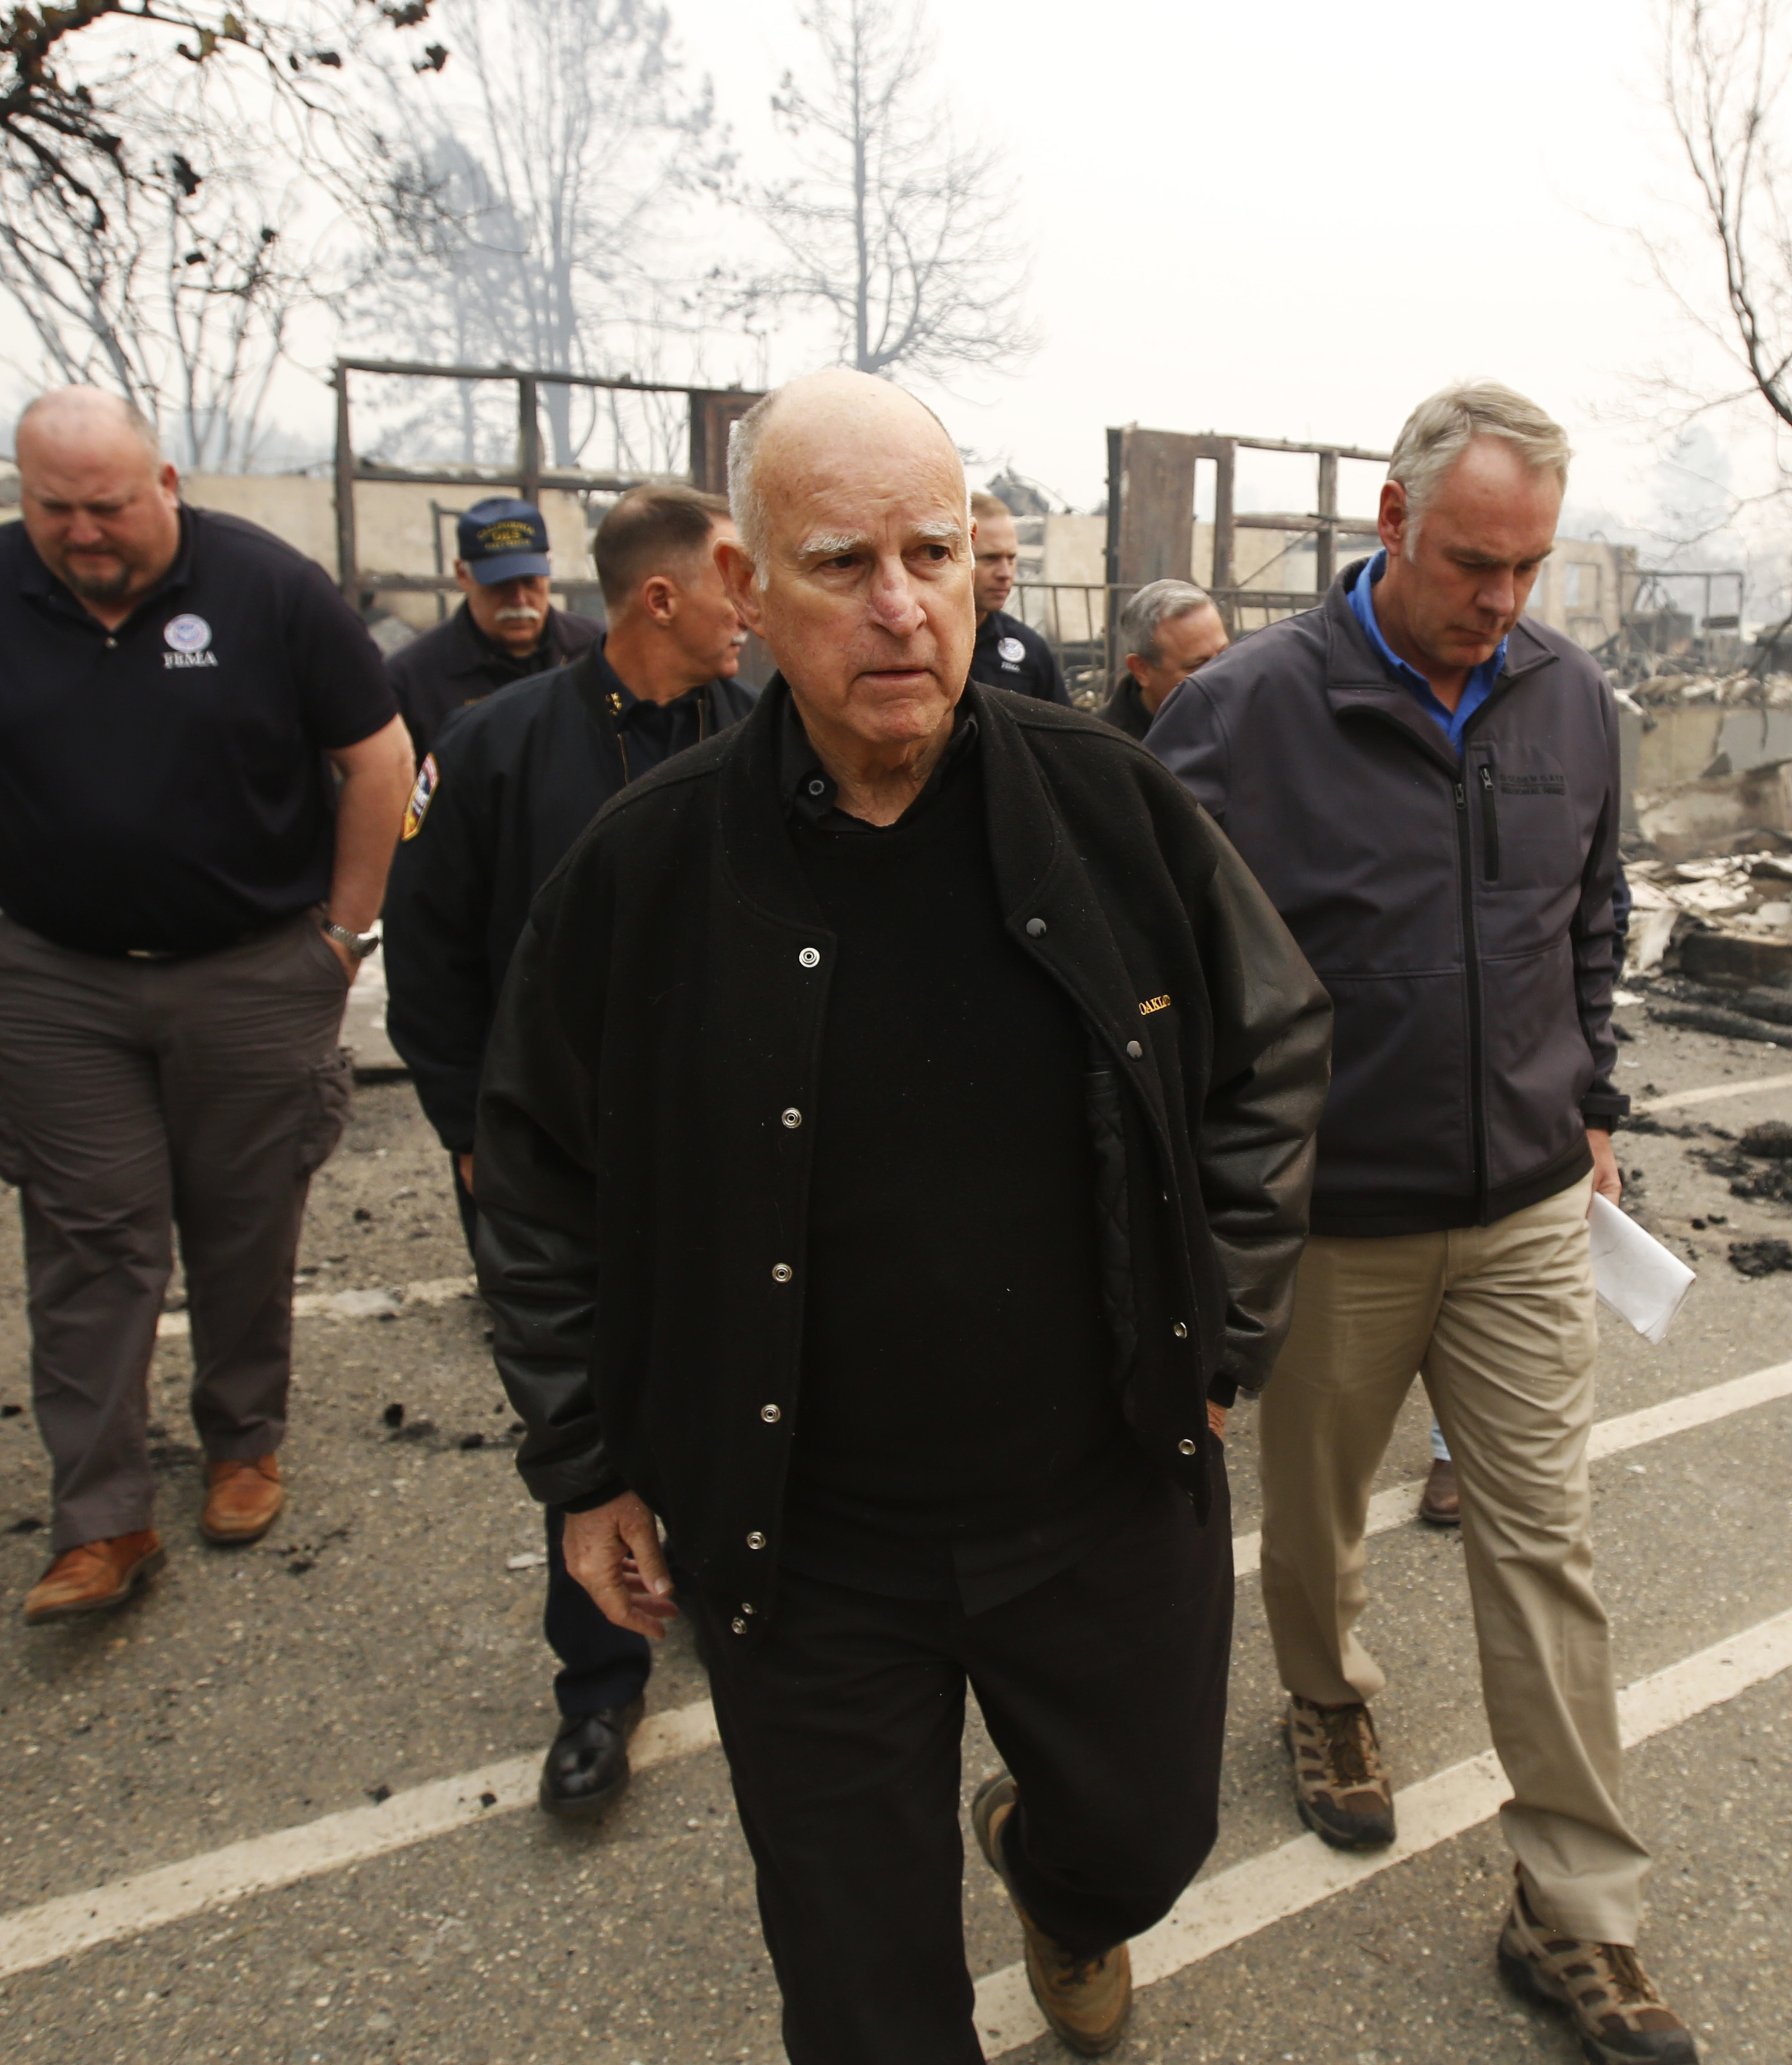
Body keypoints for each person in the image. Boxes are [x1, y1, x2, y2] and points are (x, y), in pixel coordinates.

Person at [471, 369, 1329, 2064]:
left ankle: (1041, 1860)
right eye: (840, 560)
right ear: (742, 584)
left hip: (1092, 1486)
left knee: (1143, 1844)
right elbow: (535, 1166)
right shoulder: (647, 866)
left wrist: (1219, 1329)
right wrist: (587, 1456)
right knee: (864, 1999)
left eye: (932, 553)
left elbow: (1275, 1046)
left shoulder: (1108, 807)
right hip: (806, 1534)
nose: (897, 604)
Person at [1152, 380, 1695, 2065]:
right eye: (1472, 560)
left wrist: (1589, 1096)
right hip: (1335, 1221)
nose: (1499, 600)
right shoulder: (1240, 718)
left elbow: (1591, 912)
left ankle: (1573, 1910)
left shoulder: (1570, 707)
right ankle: (1324, 1695)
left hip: (1527, 1210)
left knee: (1546, 1550)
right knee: (1311, 1518)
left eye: (1528, 566)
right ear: (1389, 526)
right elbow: (1150, 974)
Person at [0, 386, 412, 1626]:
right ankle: (99, 1517)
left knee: (243, 1218)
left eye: (107, 504)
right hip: (56, 975)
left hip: (251, 966)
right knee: (88, 1238)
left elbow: (376, 753)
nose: (83, 532)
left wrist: (341, 932)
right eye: (53, 508)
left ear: (163, 483)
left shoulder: (269, 589)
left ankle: (243, 1439)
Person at [384, 483, 753, 1819]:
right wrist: (468, 1136)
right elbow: (423, 959)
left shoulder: (762, 735)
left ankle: (712, 1585)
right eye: (734, 582)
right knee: (585, 1413)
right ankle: (599, 1686)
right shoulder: (494, 747)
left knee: (729, 1383)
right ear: (662, 596)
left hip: (724, 1158)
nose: (752, 609)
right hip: (558, 1162)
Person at [386, 496, 603, 755]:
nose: (519, 600)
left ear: (549, 569)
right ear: (463, 575)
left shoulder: (599, 652)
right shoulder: (412, 681)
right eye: (501, 585)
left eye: (530, 581)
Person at [967, 489, 1070, 704]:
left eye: (1012, 558)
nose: (1005, 573)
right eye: (990, 558)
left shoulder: (1030, 651)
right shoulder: (918, 643)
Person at [1102, 578, 1230, 738]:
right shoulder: (1102, 750)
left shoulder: (1250, 715)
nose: (1221, 675)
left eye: (1224, 654)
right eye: (1198, 665)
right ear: (1141, 670)